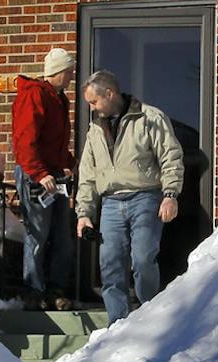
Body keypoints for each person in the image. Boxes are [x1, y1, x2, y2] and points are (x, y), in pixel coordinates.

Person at [75, 69, 184, 325]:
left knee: (143, 259)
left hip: (145, 197)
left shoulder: (149, 118)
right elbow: (87, 174)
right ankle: (118, 325)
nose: (91, 107)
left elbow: (171, 156)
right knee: (110, 265)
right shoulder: (95, 129)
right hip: (111, 202)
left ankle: (149, 318)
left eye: (94, 101)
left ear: (110, 94)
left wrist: (170, 194)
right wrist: (84, 214)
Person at [10, 47, 77, 308]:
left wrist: (69, 163)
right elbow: (25, 140)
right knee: (37, 233)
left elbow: (54, 141)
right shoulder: (35, 95)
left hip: (55, 176)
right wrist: (39, 173)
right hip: (36, 176)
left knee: (62, 234)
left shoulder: (59, 98)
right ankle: (34, 292)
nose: (71, 75)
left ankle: (56, 290)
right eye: (69, 71)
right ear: (57, 72)